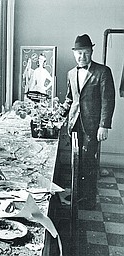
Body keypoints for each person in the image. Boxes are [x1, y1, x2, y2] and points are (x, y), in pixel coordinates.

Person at [60, 34, 115, 210]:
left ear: (91, 52)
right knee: (75, 161)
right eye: (78, 53)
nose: (81, 56)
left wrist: (104, 125)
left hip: (92, 127)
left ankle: (89, 200)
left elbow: (108, 100)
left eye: (85, 53)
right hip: (74, 124)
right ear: (74, 54)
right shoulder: (70, 73)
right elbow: (70, 100)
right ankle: (77, 195)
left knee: (88, 162)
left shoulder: (102, 72)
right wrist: (58, 116)